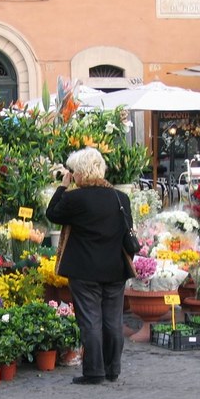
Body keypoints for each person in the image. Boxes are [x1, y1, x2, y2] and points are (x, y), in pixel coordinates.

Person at [45, 147, 136, 385]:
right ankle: (112, 368)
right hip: (115, 268)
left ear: (81, 172)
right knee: (112, 320)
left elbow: (52, 213)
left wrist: (63, 186)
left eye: (73, 172)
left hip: (84, 269)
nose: (72, 176)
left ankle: (94, 371)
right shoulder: (120, 198)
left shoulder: (75, 198)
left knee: (90, 321)